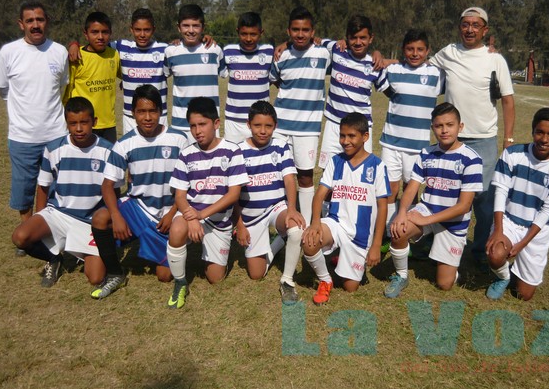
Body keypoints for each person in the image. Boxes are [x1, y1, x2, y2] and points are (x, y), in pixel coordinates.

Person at [429, 7, 515, 262]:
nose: (470, 29)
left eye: (476, 25)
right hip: (450, 139)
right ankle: (440, 244)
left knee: (484, 199)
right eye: (465, 24)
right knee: (445, 193)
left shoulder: (495, 59)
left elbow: (508, 101)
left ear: (485, 30)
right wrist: (376, 57)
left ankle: (479, 249)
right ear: (460, 27)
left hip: (484, 139)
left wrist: (507, 140)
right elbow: (417, 63)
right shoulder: (448, 52)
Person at [90, 85, 189, 299]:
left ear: (161, 111)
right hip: (137, 208)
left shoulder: (179, 140)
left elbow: (188, 183)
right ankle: (116, 273)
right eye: (141, 111)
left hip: (169, 213)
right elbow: (108, 185)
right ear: (133, 113)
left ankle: (157, 245)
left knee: (164, 276)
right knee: (100, 219)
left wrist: (173, 213)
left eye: (152, 111)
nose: (147, 117)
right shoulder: (125, 143)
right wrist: (116, 215)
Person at [11, 97, 112, 287]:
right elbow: (43, 187)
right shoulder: (53, 148)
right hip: (58, 214)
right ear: (66, 124)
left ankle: (79, 249)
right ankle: (54, 257)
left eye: (84, 122)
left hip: (89, 222)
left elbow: (113, 194)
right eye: (73, 123)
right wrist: (40, 216)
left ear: (95, 122)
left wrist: (107, 227)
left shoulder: (108, 151)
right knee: (20, 236)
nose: (79, 128)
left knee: (96, 278)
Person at [385, 102, 483, 298]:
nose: (444, 130)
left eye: (450, 125)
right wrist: (402, 213)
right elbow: (412, 187)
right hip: (428, 210)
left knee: (444, 284)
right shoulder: (426, 153)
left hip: (453, 222)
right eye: (439, 126)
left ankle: (446, 259)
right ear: (432, 128)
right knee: (398, 230)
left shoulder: (472, 159)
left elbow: (464, 207)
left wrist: (427, 221)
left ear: (460, 127)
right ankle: (401, 275)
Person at [0, 1, 69, 247]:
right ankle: (29, 235)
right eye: (30, 20)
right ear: (21, 24)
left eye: (40, 19)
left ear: (46, 21)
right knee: (24, 189)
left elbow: (61, 86)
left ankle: (54, 233)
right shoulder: (8, 52)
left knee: (56, 187)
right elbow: (3, 89)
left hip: (55, 134)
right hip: (22, 136)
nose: (35, 25)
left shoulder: (59, 52)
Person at [167, 97, 249, 309]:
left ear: (216, 123)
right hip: (191, 214)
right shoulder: (186, 154)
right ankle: (180, 282)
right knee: (177, 229)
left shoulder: (232, 151)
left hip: (218, 220)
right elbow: (179, 196)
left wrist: (201, 216)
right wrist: (190, 216)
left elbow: (233, 195)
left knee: (216, 278)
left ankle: (208, 251)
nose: (197, 131)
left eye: (202, 124)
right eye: (193, 126)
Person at [302, 112, 390, 305]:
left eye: (351, 136)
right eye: (342, 135)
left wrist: (376, 245)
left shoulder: (377, 166)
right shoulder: (336, 161)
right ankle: (325, 281)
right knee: (309, 241)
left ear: (365, 137)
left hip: (359, 233)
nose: (345, 141)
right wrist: (315, 222)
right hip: (335, 223)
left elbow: (383, 208)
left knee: (350, 288)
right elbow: (319, 195)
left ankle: (343, 257)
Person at [485, 108, 549, 301]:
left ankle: (519, 269)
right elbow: (500, 192)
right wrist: (498, 230)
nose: (544, 139)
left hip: (536, 230)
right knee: (495, 254)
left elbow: (547, 212)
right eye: (539, 132)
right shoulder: (512, 155)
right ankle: (503, 277)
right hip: (509, 220)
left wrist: (523, 243)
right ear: (533, 131)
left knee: (524, 295)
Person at [234, 101, 305, 304]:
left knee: (296, 228)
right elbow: (234, 193)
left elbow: (290, 178)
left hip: (276, 207)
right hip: (251, 215)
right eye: (257, 125)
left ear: (275, 125)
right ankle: (279, 242)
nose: (263, 131)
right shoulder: (238, 151)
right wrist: (239, 224)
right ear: (249, 124)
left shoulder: (281, 145)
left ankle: (287, 280)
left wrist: (291, 208)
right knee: (256, 274)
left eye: (268, 126)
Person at [269, 6, 331, 225]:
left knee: (305, 175)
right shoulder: (281, 55)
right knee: (278, 174)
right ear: (288, 31)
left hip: (308, 128)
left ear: (313, 32)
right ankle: (280, 219)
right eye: (295, 29)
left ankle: (304, 223)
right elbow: (275, 80)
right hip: (281, 126)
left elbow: (347, 48)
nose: (300, 34)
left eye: (305, 30)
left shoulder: (323, 53)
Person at [379, 29, 445, 227]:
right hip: (391, 142)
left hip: (418, 146)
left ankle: (406, 230)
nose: (415, 53)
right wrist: (382, 59)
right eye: (410, 49)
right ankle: (386, 233)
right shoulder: (393, 71)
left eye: (420, 49)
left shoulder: (436, 74)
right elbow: (377, 71)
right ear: (403, 50)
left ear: (428, 51)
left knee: (411, 190)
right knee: (389, 189)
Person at [69, 8, 171, 134]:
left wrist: (202, 39)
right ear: (131, 29)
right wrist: (74, 44)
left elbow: (184, 51)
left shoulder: (165, 50)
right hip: (131, 117)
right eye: (138, 30)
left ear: (153, 29)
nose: (142, 34)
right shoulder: (121, 47)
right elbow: (96, 43)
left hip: (158, 115)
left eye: (147, 30)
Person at [318, 15, 386, 169]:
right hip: (334, 124)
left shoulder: (375, 66)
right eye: (353, 37)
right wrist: (285, 44)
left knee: (361, 175)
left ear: (371, 38)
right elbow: (314, 39)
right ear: (347, 38)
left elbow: (390, 92)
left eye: (363, 37)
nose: (358, 42)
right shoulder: (337, 49)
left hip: (361, 127)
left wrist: (379, 54)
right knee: (328, 173)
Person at [164, 4, 224, 140]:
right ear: (178, 27)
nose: (191, 30)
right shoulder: (170, 52)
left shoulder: (214, 50)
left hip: (208, 122)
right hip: (181, 124)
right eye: (186, 25)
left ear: (203, 27)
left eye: (196, 25)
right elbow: (164, 74)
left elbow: (224, 73)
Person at [63, 11, 121, 143]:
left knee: (108, 162)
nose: (100, 37)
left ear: (110, 33)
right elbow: (66, 95)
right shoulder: (76, 57)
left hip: (108, 124)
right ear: (86, 34)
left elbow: (127, 77)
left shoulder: (114, 55)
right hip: (83, 124)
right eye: (94, 32)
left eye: (105, 32)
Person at [220, 12, 274, 144]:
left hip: (260, 121)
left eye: (253, 34)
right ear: (238, 31)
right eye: (244, 34)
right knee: (233, 160)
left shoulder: (269, 52)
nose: (249, 38)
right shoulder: (227, 52)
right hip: (234, 121)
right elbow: (220, 72)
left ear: (261, 32)